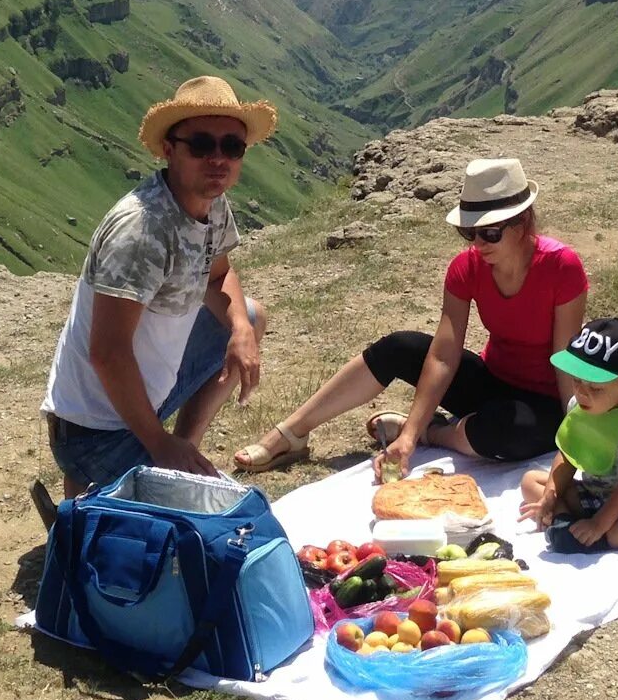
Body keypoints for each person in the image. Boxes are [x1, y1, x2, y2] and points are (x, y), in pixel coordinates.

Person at [232, 157, 586, 476]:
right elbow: (444, 353)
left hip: (543, 401)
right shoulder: (466, 268)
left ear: (522, 223)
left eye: (490, 232)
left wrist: (578, 427)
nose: (478, 243)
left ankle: (432, 431)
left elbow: (566, 361)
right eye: (469, 232)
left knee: (507, 432)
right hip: (492, 383)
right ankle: (291, 433)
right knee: (400, 346)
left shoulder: (561, 266)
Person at [41, 75, 275, 499]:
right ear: (170, 149)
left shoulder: (210, 201)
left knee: (252, 314)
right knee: (155, 531)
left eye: (232, 147)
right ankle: (112, 477)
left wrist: (241, 328)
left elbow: (219, 274)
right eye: (201, 145)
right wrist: (158, 442)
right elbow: (108, 353)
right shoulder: (142, 231)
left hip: (148, 388)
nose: (217, 159)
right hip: (94, 427)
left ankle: (180, 451)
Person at [519, 317, 618, 553]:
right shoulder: (578, 404)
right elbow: (567, 457)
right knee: (531, 481)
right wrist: (551, 496)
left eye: (595, 388)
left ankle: (602, 539)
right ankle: (563, 522)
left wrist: (599, 524)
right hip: (594, 493)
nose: (582, 392)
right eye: (576, 381)